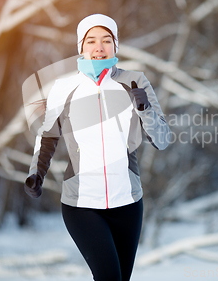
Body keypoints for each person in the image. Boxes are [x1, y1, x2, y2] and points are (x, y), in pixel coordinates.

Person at [24, 14, 171, 281]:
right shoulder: (64, 88)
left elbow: (162, 139)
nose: (99, 47)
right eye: (91, 40)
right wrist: (37, 173)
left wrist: (145, 109)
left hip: (128, 203)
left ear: (116, 45)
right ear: (81, 47)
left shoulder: (134, 81)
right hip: (81, 205)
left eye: (106, 40)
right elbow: (47, 137)